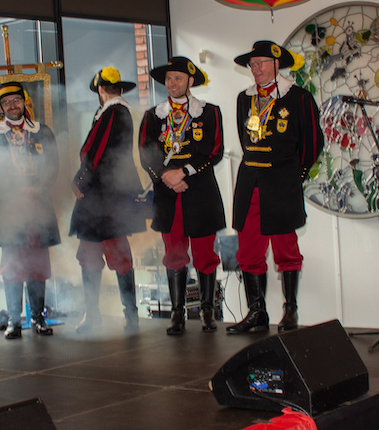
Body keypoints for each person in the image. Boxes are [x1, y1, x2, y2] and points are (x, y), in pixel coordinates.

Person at [227, 41, 323, 335]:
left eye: (261, 63)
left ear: (276, 64)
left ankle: (290, 309)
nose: (256, 69)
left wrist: (296, 175)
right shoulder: (244, 99)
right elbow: (246, 141)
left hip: (282, 183)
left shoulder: (298, 97)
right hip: (250, 183)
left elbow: (313, 142)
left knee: (286, 249)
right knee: (248, 250)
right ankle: (256, 311)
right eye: (252, 64)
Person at [137, 56, 225, 336]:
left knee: (205, 254)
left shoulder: (209, 112)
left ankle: (207, 310)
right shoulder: (153, 115)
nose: (172, 83)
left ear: (190, 81)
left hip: (200, 192)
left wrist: (183, 172)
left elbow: (214, 151)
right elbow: (146, 153)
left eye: (178, 78)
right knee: (174, 254)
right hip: (168, 194)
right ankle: (178, 312)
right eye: (169, 78)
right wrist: (168, 176)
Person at [69, 67, 145, 333]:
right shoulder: (116, 111)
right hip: (106, 195)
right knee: (93, 254)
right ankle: (118, 315)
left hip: (104, 196)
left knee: (112, 254)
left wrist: (80, 180)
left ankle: (118, 316)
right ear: (119, 88)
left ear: (100, 89)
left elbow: (94, 152)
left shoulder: (113, 112)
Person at [0, 82, 59, 339]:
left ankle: (37, 318)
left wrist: (37, 189)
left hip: (39, 206)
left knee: (38, 264)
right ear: (1, 107)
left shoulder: (42, 131)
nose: (12, 105)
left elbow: (54, 165)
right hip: (10, 209)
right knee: (12, 265)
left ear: (25, 102)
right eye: (6, 102)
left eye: (16, 100)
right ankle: (14, 321)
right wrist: (17, 190)